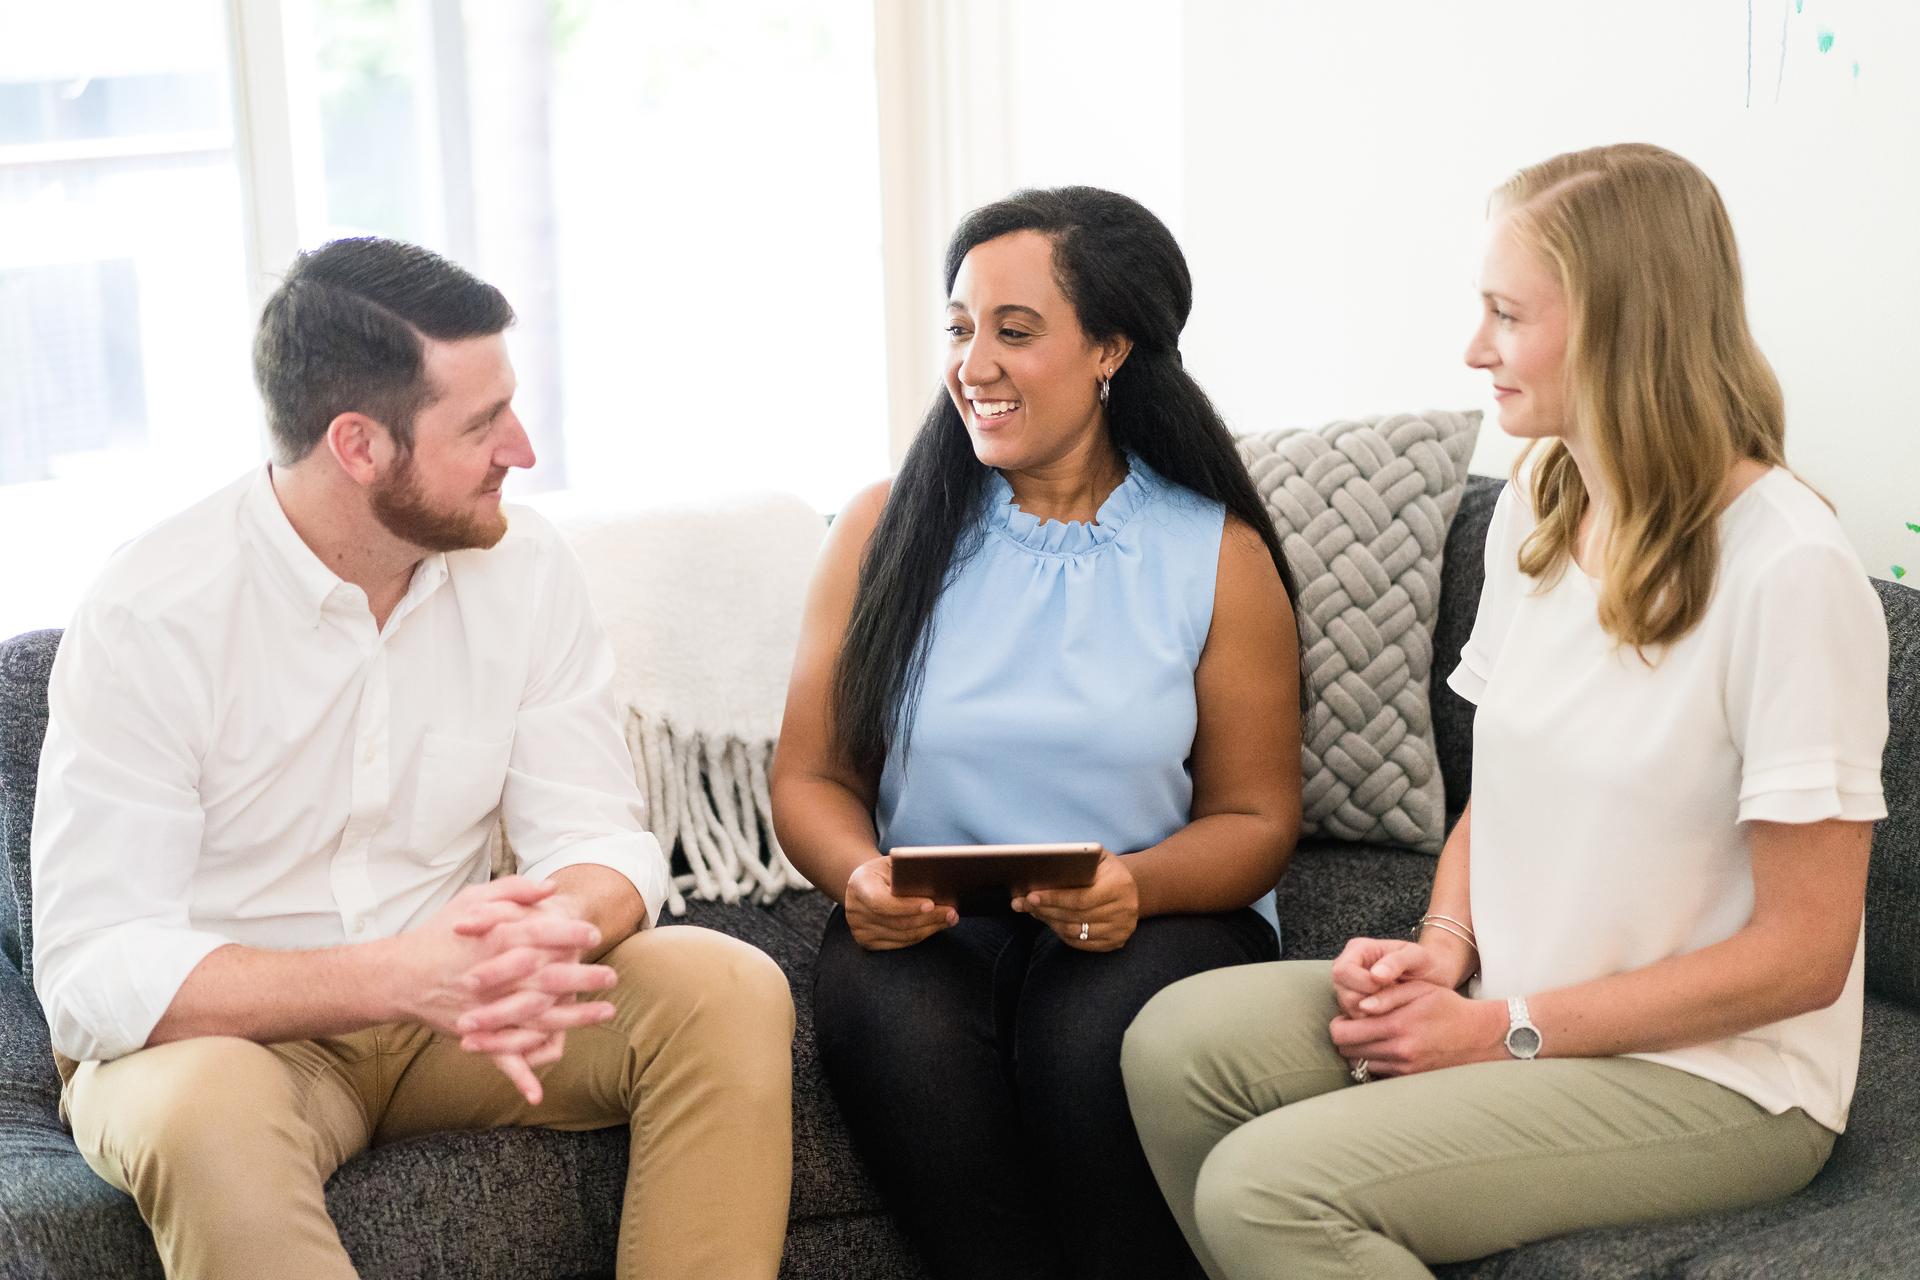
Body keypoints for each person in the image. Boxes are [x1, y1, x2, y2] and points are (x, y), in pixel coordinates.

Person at [1120, 142, 1890, 1279]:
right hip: (1514, 1000)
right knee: (1172, 1044)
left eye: (1505, 314)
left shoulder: (1789, 571)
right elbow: (1505, 785)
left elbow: (1803, 956)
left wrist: (1501, 1028)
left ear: (1622, 326)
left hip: (1721, 1077)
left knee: (1267, 1189)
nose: (1474, 348)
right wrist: (1445, 950)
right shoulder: (1544, 501)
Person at [30, 237, 795, 1280]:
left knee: (725, 983)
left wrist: (544, 929)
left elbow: (598, 829)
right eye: (482, 424)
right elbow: (94, 969)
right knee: (203, 1108)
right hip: (235, 1044)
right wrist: (398, 974)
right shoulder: (151, 611)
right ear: (358, 444)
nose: (523, 449)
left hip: (458, 1015)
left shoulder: (523, 570)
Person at [770, 186, 1303, 1280]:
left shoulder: (1218, 552)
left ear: (1112, 346)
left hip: (1157, 913)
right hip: (933, 924)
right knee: (888, 1015)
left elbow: (1256, 817)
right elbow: (812, 776)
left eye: (1016, 331)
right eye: (962, 329)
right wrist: (861, 877)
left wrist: (1135, 888)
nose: (975, 363)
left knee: (1088, 1037)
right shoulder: (880, 526)